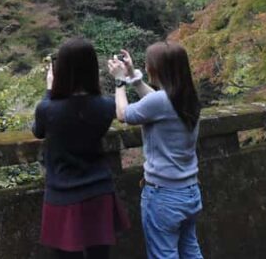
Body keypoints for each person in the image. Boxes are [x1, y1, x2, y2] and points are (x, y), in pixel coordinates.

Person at [33, 37, 130, 259]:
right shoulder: (105, 106)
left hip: (62, 193)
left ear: (61, 71)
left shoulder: (47, 109)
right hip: (98, 190)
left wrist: (49, 91)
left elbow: (39, 131)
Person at [108, 42, 203, 259]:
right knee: (190, 250)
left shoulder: (161, 101)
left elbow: (123, 114)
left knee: (164, 255)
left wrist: (120, 81)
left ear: (157, 69)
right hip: (189, 191)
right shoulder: (187, 97)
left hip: (164, 195)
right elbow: (156, 102)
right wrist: (134, 76)